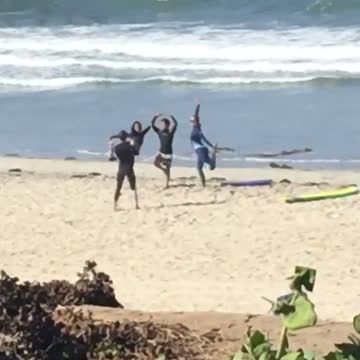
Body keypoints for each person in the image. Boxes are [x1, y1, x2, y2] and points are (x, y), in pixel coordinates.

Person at [190, 103, 217, 187]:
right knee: (198, 168)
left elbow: (204, 138)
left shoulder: (197, 129)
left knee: (212, 167)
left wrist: (211, 146)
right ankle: (203, 185)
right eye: (191, 121)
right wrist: (197, 105)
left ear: (196, 122)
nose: (191, 122)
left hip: (201, 150)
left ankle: (214, 155)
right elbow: (196, 115)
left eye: (192, 121)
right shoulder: (195, 128)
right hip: (200, 151)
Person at [113, 130, 139, 211]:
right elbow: (136, 153)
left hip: (121, 168)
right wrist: (132, 144)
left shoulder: (117, 148)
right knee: (134, 187)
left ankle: (115, 205)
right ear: (126, 137)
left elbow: (118, 156)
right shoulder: (130, 146)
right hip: (129, 169)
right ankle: (136, 205)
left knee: (118, 187)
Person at [152, 113, 178, 188]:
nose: (163, 126)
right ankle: (164, 170)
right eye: (163, 124)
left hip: (168, 153)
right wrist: (155, 116)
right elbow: (153, 125)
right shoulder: (160, 132)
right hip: (161, 152)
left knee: (168, 168)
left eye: (165, 124)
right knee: (155, 163)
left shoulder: (170, 133)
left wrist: (171, 116)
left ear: (168, 125)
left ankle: (167, 184)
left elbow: (176, 124)